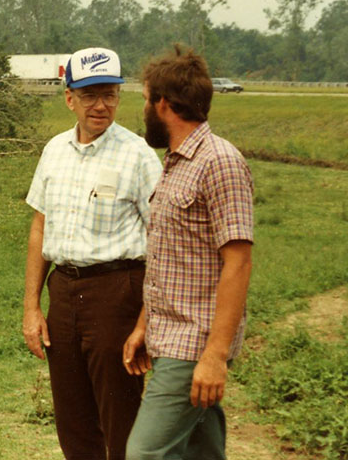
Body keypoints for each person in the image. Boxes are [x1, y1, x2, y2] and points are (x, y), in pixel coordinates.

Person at [23, 47, 162, 460]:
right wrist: (32, 307)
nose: (101, 106)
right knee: (72, 419)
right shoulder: (54, 151)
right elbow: (39, 227)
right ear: (70, 98)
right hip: (62, 293)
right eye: (89, 96)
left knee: (121, 415)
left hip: (116, 294)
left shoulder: (138, 155)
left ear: (120, 97)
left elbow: (163, 242)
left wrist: (144, 318)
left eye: (110, 94)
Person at [123, 45, 253, 460]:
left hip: (193, 343)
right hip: (169, 337)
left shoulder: (219, 162)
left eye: (145, 100)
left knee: (144, 453)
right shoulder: (177, 163)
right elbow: (171, 260)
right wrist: (146, 323)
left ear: (163, 104)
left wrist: (214, 357)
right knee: (202, 451)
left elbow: (238, 263)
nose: (143, 109)